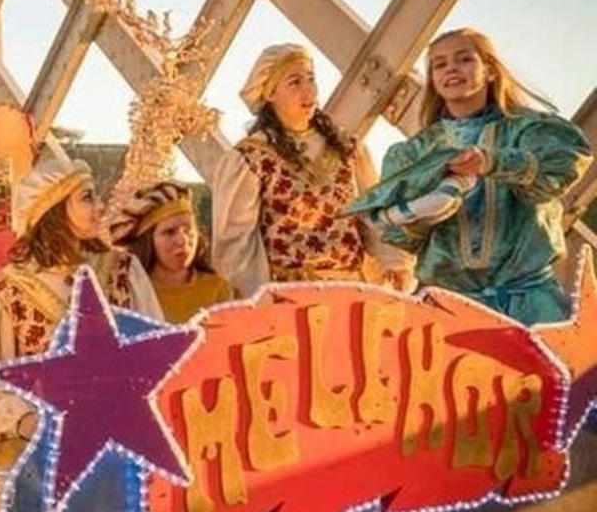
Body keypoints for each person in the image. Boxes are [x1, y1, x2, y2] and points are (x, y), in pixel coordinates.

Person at [349, 28, 592, 324]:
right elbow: (399, 234)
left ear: (489, 70)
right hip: (449, 310)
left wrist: (493, 161)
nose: (451, 68)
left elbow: (560, 168)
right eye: (439, 64)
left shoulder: (531, 130)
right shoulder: (414, 153)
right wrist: (426, 211)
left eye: (464, 59)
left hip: (531, 306)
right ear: (434, 81)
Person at [0, 154, 164, 469]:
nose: (100, 206)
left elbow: (157, 355)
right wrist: (27, 420)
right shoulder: (3, 294)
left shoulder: (123, 271)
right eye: (87, 198)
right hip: (41, 452)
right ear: (52, 211)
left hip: (122, 447)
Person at [212, 43, 409, 295]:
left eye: (311, 79)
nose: (308, 90)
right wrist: (260, 297)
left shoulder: (348, 149)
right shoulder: (251, 157)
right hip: (289, 296)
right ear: (270, 93)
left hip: (351, 290)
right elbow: (236, 242)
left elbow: (374, 216)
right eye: (294, 82)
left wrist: (394, 265)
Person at [109, 181, 236, 323]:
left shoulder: (218, 290)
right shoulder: (129, 291)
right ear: (148, 241)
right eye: (169, 232)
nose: (183, 240)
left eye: (188, 230)